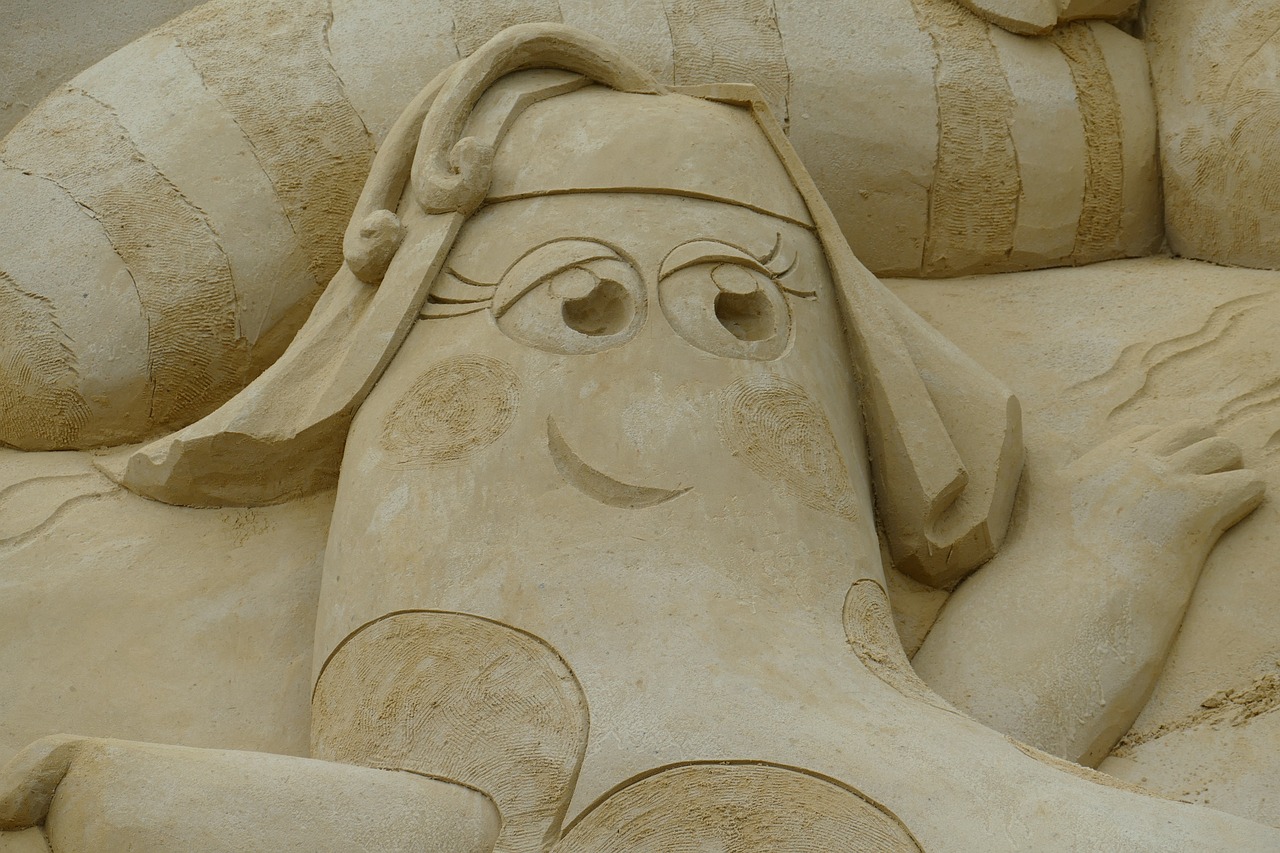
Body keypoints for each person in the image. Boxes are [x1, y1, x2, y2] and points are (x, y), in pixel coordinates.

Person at [4, 23, 1274, 851]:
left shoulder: (829, 668)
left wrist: (1117, 545)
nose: (673, 334)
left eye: (739, 302)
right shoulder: (463, 707)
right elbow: (445, 817)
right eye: (578, 298)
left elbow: (950, 732)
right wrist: (92, 780)